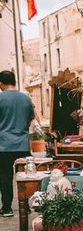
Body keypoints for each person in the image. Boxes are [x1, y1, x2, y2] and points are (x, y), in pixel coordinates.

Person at [0, 70, 36, 216]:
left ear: (1, 84)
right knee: (24, 177)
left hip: (3, 144)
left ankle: (7, 207)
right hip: (22, 144)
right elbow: (29, 120)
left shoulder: (0, 99)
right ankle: (25, 206)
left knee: (5, 176)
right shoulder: (26, 99)